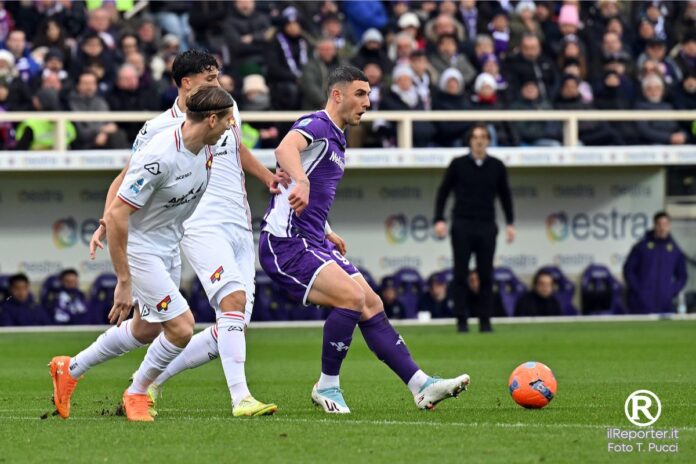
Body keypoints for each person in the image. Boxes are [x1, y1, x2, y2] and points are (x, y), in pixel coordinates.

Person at [85, 50, 285, 419]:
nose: (218, 84)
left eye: (218, 76)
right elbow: (126, 177)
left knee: (230, 324)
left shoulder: (225, 107)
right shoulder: (158, 130)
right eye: (210, 78)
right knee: (231, 303)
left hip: (239, 221)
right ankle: (240, 398)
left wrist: (267, 176)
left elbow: (237, 147)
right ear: (186, 83)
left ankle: (149, 381)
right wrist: (105, 221)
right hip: (199, 223)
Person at [259, 65, 469, 414]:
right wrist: (302, 181)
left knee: (371, 302)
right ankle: (327, 385)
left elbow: (313, 190)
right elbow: (284, 149)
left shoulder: (339, 136)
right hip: (286, 243)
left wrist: (327, 229)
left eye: (369, 95)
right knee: (352, 298)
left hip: (313, 239)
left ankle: (421, 385)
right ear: (337, 95)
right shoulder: (317, 124)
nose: (367, 102)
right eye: (360, 94)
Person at [50, 85, 234, 422]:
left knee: (147, 329)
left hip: (168, 245)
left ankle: (69, 368)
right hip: (141, 248)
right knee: (181, 328)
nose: (231, 125)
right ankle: (137, 392)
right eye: (228, 119)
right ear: (211, 119)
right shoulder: (160, 155)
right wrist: (124, 280)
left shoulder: (209, 146)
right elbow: (120, 210)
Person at [433, 123, 515, 333]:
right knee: (460, 274)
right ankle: (462, 321)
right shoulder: (458, 164)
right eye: (475, 137)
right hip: (462, 224)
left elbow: (505, 196)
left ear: (488, 141)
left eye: (483, 137)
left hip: (486, 225)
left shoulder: (497, 166)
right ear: (469, 141)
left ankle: (485, 321)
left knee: (486, 274)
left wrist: (510, 223)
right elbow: (443, 192)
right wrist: (439, 219)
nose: (479, 141)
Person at [623, 212, 687, 314]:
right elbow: (629, 270)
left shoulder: (675, 250)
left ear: (669, 226)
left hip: (665, 304)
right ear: (654, 225)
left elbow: (682, 276)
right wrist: (638, 291)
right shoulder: (641, 247)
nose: (662, 228)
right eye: (659, 224)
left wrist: (671, 291)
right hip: (640, 304)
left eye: (665, 224)